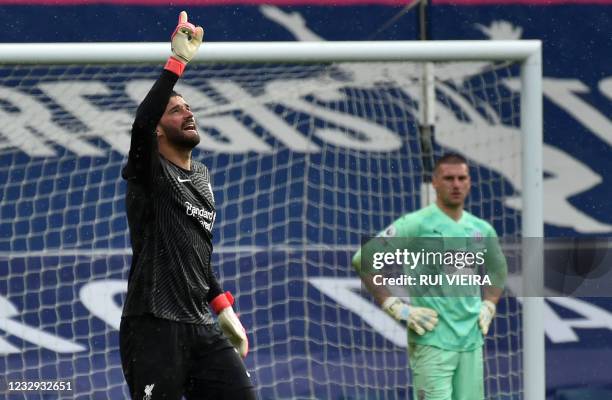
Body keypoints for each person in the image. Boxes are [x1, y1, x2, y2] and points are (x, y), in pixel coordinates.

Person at [119, 11, 255, 400]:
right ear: (159, 129)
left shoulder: (201, 177)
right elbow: (141, 125)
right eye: (176, 110)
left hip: (199, 324)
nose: (189, 113)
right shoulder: (150, 171)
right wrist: (175, 64)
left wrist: (223, 307)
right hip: (153, 325)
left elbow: (194, 254)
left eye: (189, 108)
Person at [352, 153, 507, 400]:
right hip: (432, 341)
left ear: (469, 182)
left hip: (471, 342)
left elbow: (498, 269)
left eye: (461, 178)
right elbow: (362, 259)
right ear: (434, 182)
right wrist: (396, 307)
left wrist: (489, 304)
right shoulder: (415, 224)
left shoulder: (481, 229)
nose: (455, 184)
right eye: (448, 178)